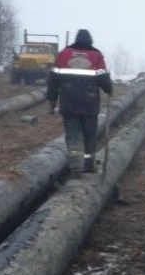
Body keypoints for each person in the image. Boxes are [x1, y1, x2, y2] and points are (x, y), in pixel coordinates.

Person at [47, 29, 112, 176]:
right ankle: (88, 165)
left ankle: (76, 167)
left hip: (69, 104)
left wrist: (51, 99)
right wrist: (109, 89)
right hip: (90, 105)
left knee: (73, 135)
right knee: (90, 135)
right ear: (90, 40)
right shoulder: (96, 55)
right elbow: (103, 78)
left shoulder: (64, 54)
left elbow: (53, 79)